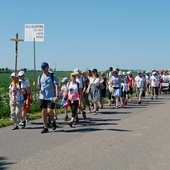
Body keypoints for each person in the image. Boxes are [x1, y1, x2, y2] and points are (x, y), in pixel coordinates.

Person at [36, 62, 60, 133]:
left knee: (49, 111)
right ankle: (45, 126)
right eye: (42, 67)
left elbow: (56, 86)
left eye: (44, 67)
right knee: (43, 111)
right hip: (43, 96)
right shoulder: (40, 76)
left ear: (48, 67)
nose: (43, 69)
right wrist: (36, 86)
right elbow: (39, 87)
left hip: (51, 97)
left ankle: (53, 121)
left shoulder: (52, 75)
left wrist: (57, 95)